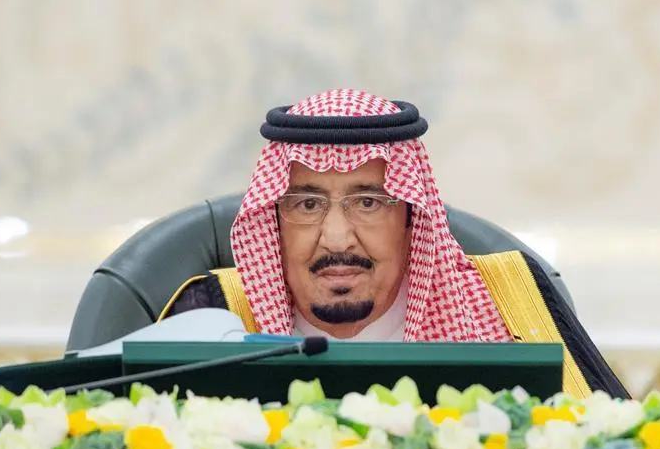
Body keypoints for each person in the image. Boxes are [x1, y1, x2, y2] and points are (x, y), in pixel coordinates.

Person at [161, 89, 627, 398]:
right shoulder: (213, 317)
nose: (336, 238)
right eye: (306, 205)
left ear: (410, 218)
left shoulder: (510, 305)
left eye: (368, 202)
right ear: (273, 222)